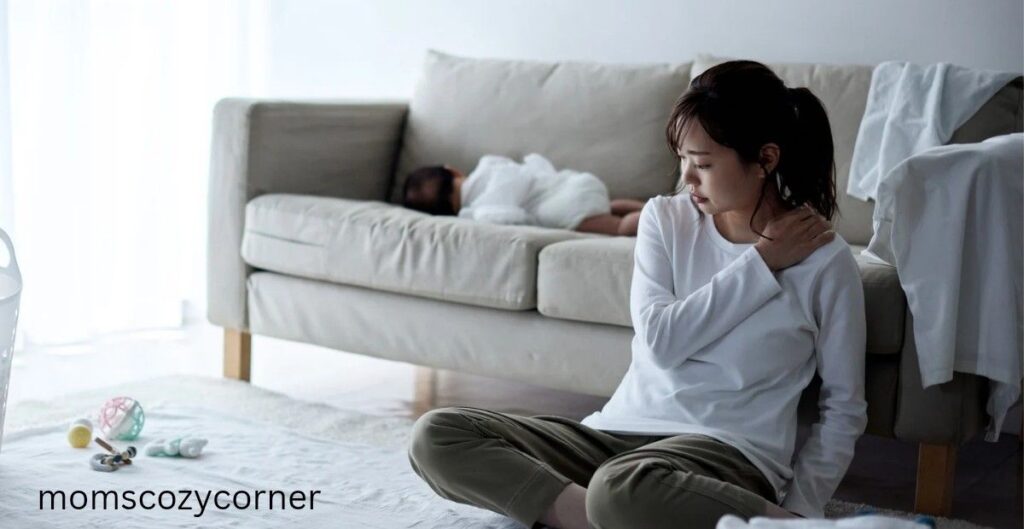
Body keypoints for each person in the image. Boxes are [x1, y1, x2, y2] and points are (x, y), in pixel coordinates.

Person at [406, 59, 868, 529]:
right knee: (436, 435)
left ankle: (787, 526)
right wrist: (763, 261)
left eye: (703, 163)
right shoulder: (665, 220)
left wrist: (805, 505)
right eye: (683, 159)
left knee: (620, 487)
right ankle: (602, 519)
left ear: (766, 159)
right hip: (615, 434)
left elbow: (844, 408)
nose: (687, 177)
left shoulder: (824, 262)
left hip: (726, 453)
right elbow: (661, 343)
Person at [401, 153, 646, 236]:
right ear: (452, 170)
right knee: (610, 207)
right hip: (574, 182)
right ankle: (661, 206)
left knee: (620, 227)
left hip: (564, 208)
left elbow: (514, 218)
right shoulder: (489, 164)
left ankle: (665, 219)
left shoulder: (480, 211)